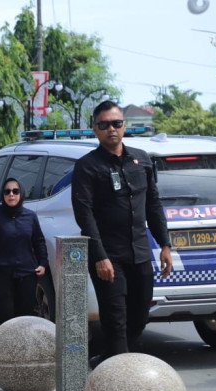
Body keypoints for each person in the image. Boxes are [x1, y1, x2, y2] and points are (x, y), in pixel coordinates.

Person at [71, 100, 172, 369]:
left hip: (139, 252)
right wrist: (99, 256)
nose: (111, 129)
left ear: (124, 126)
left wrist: (165, 244)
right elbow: (84, 215)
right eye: (104, 125)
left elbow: (153, 204)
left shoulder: (142, 159)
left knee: (139, 317)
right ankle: (122, 375)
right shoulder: (87, 166)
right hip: (108, 256)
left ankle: (109, 361)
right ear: (95, 129)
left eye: (116, 123)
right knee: (115, 320)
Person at [0, 178, 48, 336]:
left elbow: (39, 241)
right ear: (3, 195)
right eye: (7, 191)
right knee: (3, 313)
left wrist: (43, 263)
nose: (11, 195)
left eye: (15, 191)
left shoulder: (30, 216)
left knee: (25, 314)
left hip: (27, 273)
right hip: (1, 273)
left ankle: (23, 346)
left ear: (21, 194)